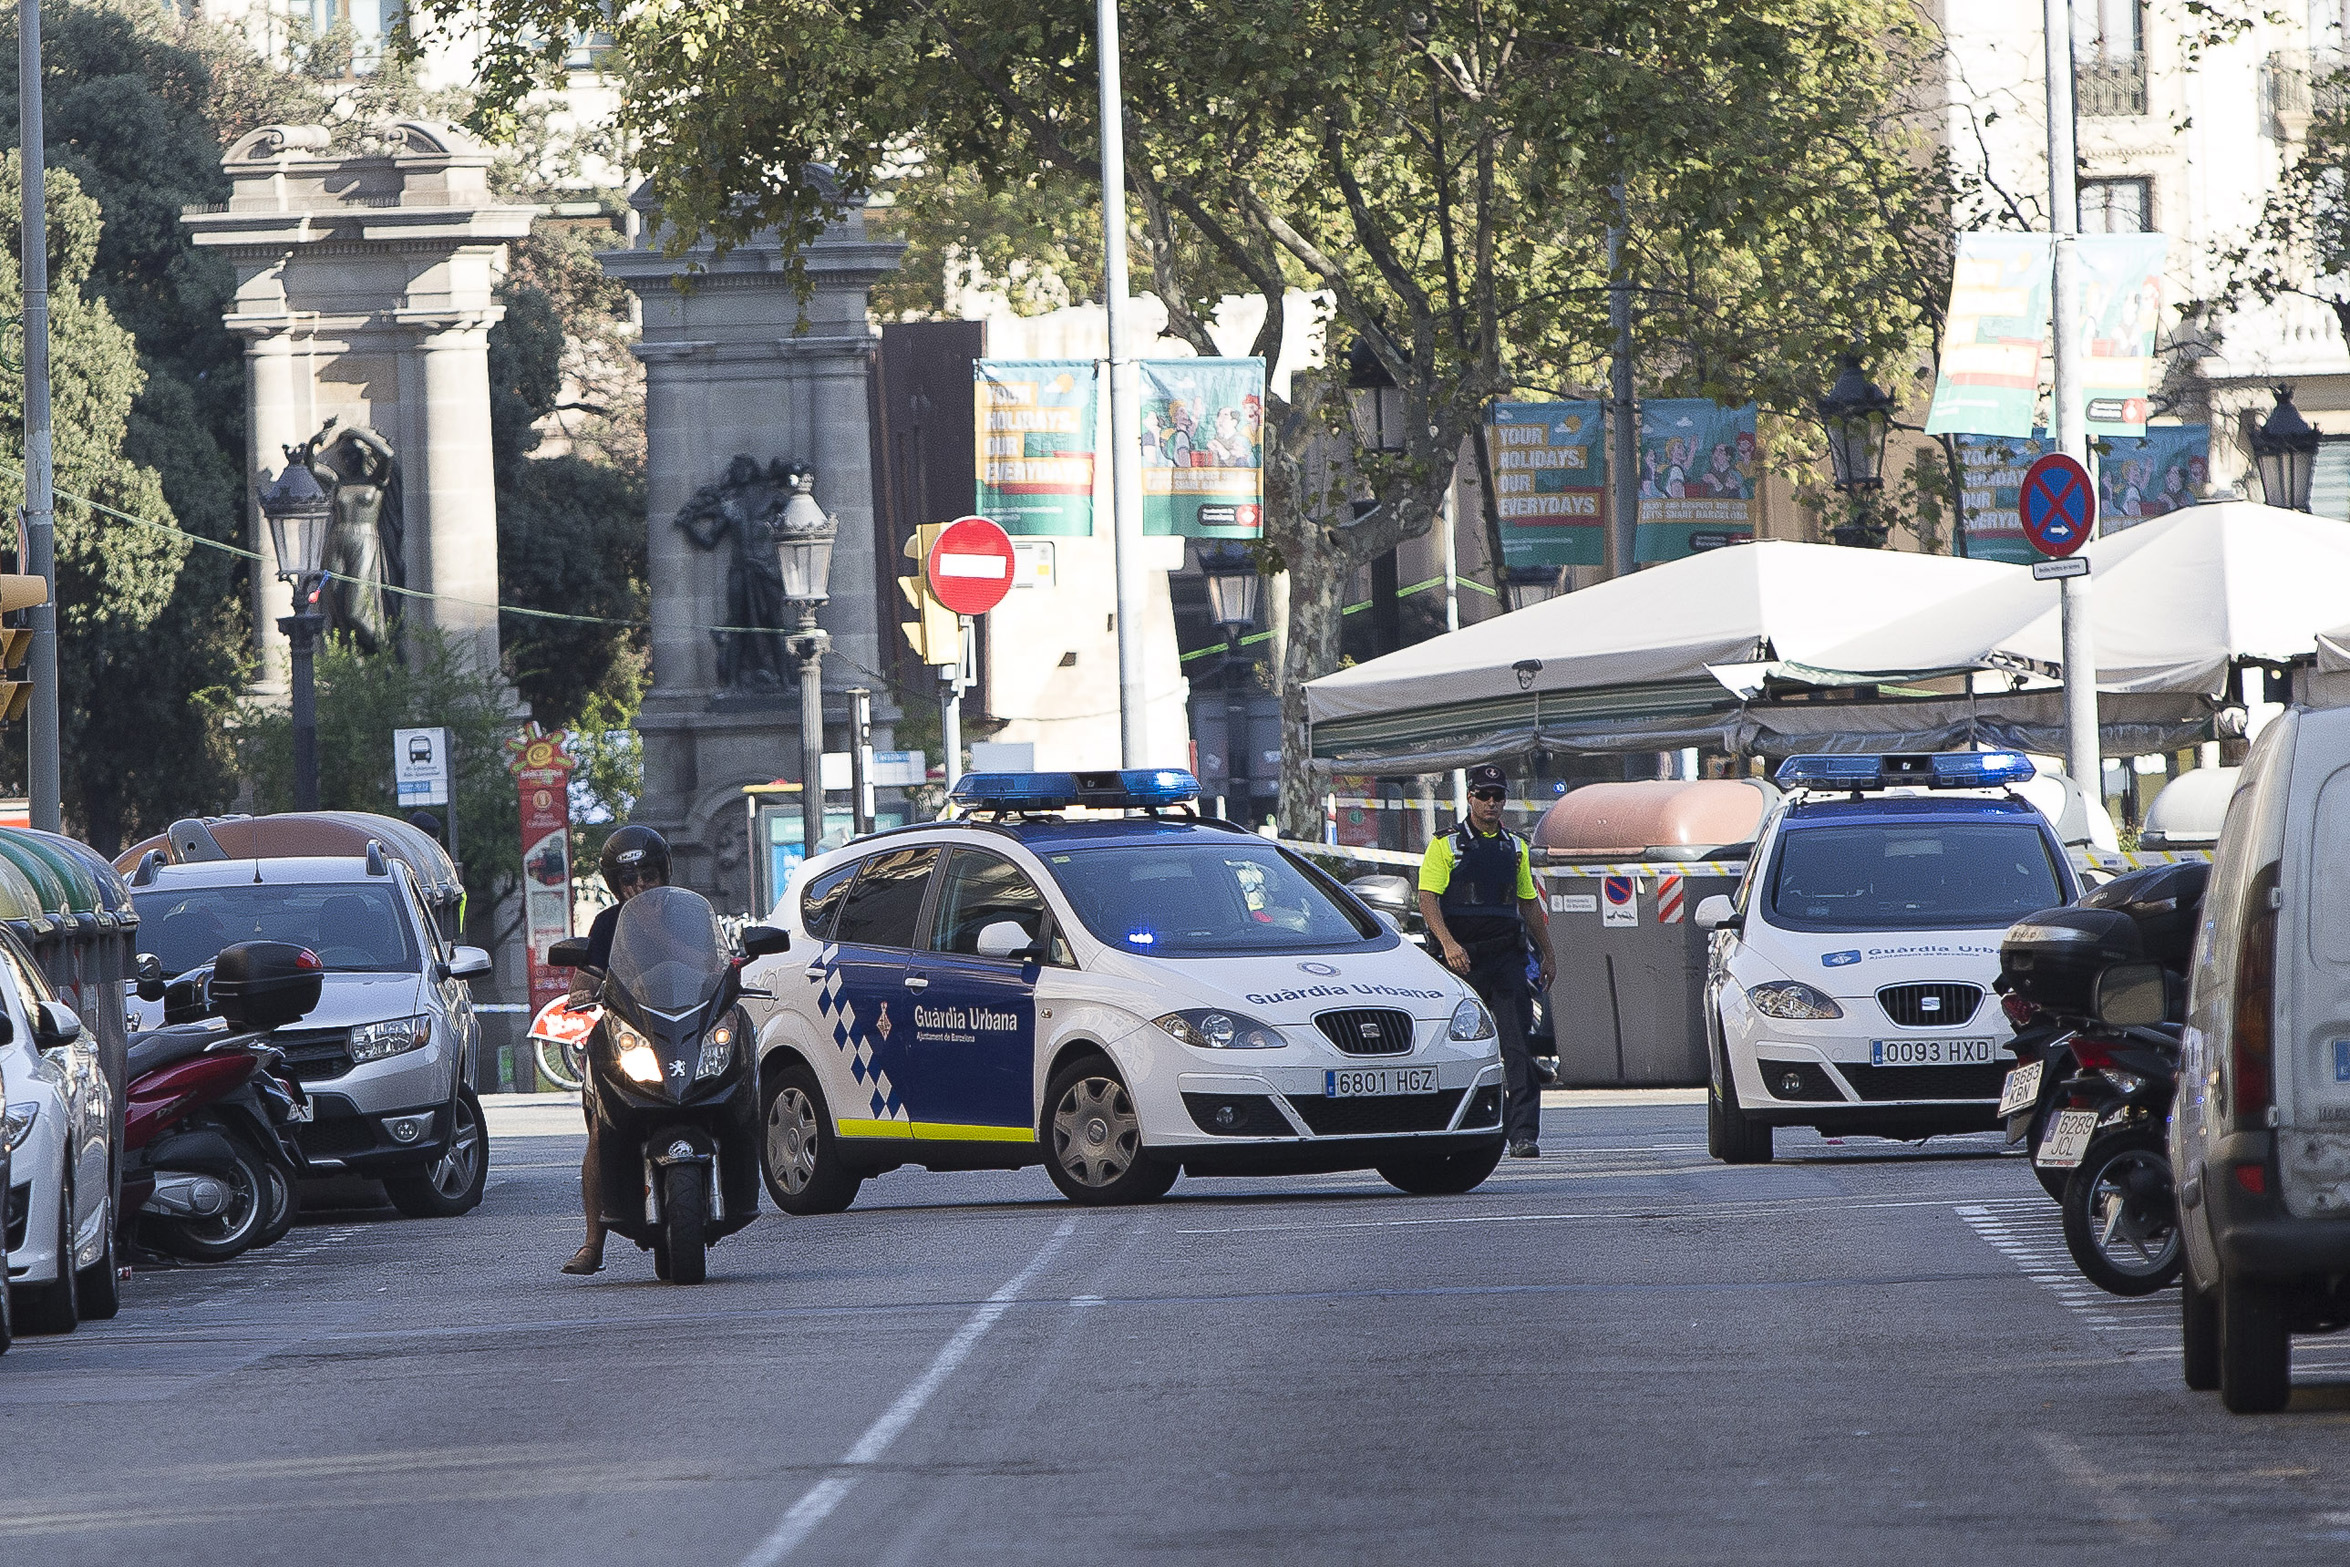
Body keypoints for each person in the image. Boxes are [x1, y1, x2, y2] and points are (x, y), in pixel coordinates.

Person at [1416, 765, 1554, 1159]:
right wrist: (1448, 943)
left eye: (1498, 796)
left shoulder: (1516, 847)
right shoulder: (1445, 845)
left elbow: (1528, 903)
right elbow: (1427, 898)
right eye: (1484, 796)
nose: (1492, 803)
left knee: (1518, 1048)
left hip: (1506, 958)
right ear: (1471, 798)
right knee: (1454, 1047)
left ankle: (1524, 1133)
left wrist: (1548, 952)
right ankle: (1450, 1126)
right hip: (1463, 961)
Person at [561, 825, 671, 1275]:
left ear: (664, 874)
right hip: (626, 1034)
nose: (639, 886)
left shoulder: (686, 915)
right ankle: (592, 1242)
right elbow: (582, 981)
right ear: (614, 884)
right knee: (600, 1133)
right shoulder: (607, 924)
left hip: (682, 1030)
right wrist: (583, 991)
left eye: (648, 875)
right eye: (629, 880)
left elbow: (716, 962)